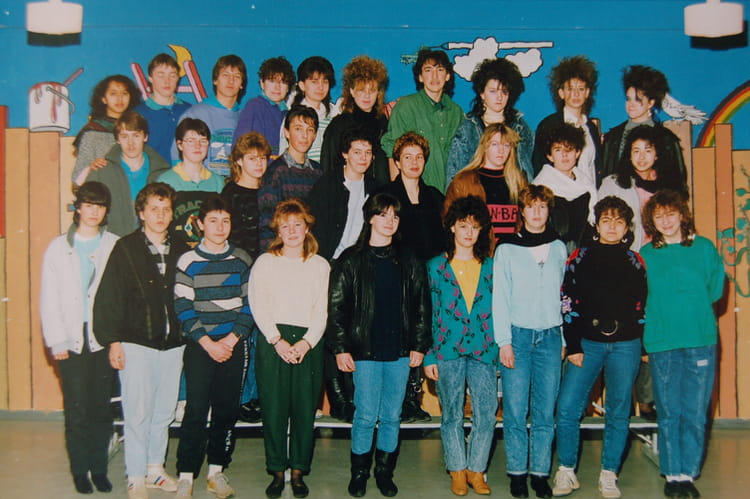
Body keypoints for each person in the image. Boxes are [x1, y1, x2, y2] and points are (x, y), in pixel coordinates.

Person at [327, 192, 431, 498]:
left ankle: (384, 472)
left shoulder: (410, 259)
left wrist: (419, 344)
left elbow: (422, 305)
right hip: (364, 351)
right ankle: (359, 473)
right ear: (370, 218)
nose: (390, 221)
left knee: (392, 415)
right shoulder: (350, 260)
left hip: (400, 351)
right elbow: (336, 308)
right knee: (365, 414)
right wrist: (341, 348)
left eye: (395, 216)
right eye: (383, 215)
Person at [94, 182, 189, 499]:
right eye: (154, 209)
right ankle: (135, 476)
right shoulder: (126, 248)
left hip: (173, 344)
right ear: (141, 213)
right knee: (137, 412)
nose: (160, 215)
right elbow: (109, 297)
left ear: (172, 214)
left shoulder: (182, 248)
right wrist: (113, 341)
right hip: (136, 343)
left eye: (166, 209)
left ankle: (154, 469)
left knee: (164, 411)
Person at [552, 196, 647, 499]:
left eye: (619, 221)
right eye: (606, 220)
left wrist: (641, 344)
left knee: (619, 410)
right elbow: (567, 301)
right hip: (587, 344)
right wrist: (573, 344)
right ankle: (566, 470)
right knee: (568, 407)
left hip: (626, 346)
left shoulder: (635, 261)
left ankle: (609, 474)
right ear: (596, 225)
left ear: (627, 227)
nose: (612, 226)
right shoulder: (579, 257)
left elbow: (642, 305)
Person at [640, 190, 725, 499]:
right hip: (662, 342)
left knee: (695, 411)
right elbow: (640, 297)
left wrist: (692, 309)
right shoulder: (646, 255)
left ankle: (688, 474)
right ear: (652, 222)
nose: (666, 221)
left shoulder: (704, 248)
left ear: (682, 215)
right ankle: (672, 473)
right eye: (659, 216)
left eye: (671, 214)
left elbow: (715, 289)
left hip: (700, 339)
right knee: (668, 410)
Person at [173, 194, 254, 499]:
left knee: (226, 409)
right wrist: (208, 343)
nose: (220, 227)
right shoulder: (188, 261)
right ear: (200, 224)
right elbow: (183, 307)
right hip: (201, 346)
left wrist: (231, 340)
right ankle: (186, 474)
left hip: (233, 346)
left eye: (225, 221)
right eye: (213, 221)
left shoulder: (242, 260)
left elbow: (250, 305)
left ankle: (216, 471)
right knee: (195, 409)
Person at [248, 198, 330, 499]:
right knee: (274, 409)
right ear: (278, 231)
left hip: (309, 342)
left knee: (304, 409)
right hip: (274, 341)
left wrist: (307, 342)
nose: (292, 231)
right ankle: (276, 470)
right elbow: (258, 304)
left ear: (307, 228)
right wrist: (276, 340)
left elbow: (322, 309)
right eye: (286, 226)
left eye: (298, 225)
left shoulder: (320, 265)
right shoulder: (265, 263)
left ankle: (298, 470)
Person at [40, 181, 119, 495]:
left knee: (101, 408)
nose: (94, 212)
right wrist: (57, 340)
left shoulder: (114, 245)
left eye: (99, 206)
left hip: (103, 338)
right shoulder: (58, 248)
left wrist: (117, 339)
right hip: (70, 340)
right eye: (88, 205)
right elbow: (49, 298)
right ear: (78, 208)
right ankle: (79, 470)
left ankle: (99, 469)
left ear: (105, 210)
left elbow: (120, 298)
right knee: (77, 409)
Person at [493, 185, 567, 498]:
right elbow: (500, 297)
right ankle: (517, 473)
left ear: (549, 211)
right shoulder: (506, 248)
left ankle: (539, 473)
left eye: (542, 207)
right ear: (521, 212)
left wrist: (564, 338)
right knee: (514, 408)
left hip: (550, 337)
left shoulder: (559, 247)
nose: (537, 213)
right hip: (518, 337)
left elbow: (564, 296)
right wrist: (504, 341)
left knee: (545, 411)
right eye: (531, 207)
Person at [423, 195, 497, 497]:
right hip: (447, 349)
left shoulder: (491, 267)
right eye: (463, 225)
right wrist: (429, 355)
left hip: (484, 350)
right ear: (452, 226)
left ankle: (476, 470)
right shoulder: (435, 267)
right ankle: (456, 469)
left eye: (475, 227)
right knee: (452, 413)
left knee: (486, 412)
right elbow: (428, 313)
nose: (469, 232)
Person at [308, 127, 380, 423]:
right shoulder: (327, 185)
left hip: (362, 268)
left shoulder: (375, 187)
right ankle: (337, 398)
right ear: (344, 154)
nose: (363, 158)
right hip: (330, 265)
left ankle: (356, 397)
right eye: (357, 152)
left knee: (358, 332)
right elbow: (314, 229)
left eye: (368, 153)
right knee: (332, 332)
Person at [376, 131, 444, 423]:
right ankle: (399, 400)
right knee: (401, 338)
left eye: (419, 157)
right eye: (407, 157)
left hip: (430, 279)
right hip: (397, 276)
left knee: (421, 335)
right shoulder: (386, 196)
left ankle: (415, 399)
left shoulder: (435, 196)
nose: (414, 162)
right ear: (397, 162)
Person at [221, 132, 272, 423]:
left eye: (263, 158)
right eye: (252, 158)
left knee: (261, 336)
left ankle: (255, 396)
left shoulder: (268, 191)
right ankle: (240, 397)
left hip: (266, 271)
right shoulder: (229, 194)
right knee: (242, 334)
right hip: (238, 273)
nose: (259, 164)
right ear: (239, 161)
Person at [381, 48, 463, 192]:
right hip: (416, 194)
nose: (434, 76)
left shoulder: (456, 112)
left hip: (450, 194)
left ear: (448, 76)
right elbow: (392, 151)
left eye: (440, 70)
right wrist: (397, 194)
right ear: (420, 77)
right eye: (428, 70)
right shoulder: (406, 107)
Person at [599, 125, 687, 252]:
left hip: (662, 252)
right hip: (626, 254)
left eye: (648, 151)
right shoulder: (612, 184)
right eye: (636, 151)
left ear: (656, 154)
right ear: (629, 155)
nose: (641, 157)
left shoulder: (669, 185)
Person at [447, 57, 533, 183]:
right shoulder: (468, 128)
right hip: (476, 193)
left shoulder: (520, 127)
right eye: (493, 91)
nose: (499, 97)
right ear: (482, 93)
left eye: (504, 91)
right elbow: (455, 176)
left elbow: (527, 170)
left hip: (513, 192)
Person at [88, 111, 170, 236]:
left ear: (145, 137)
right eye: (125, 136)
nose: (131, 143)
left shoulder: (163, 173)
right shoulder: (101, 171)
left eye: (136, 136)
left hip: (152, 242)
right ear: (117, 139)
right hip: (113, 242)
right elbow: (85, 210)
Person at [444, 122, 528, 243]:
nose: (501, 150)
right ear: (484, 147)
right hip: (479, 251)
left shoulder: (519, 181)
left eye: (506, 145)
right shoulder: (464, 181)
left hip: (511, 250)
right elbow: (448, 221)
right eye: (495, 144)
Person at [601, 65, 686, 183]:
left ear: (651, 103)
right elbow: (605, 179)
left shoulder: (666, 139)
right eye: (628, 99)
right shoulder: (613, 138)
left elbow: (678, 181)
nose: (631, 104)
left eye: (638, 100)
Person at [258, 105, 322, 249]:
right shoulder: (275, 172)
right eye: (298, 129)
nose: (304, 136)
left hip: (311, 250)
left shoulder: (319, 172)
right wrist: (273, 255)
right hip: (282, 251)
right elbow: (267, 222)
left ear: (315, 136)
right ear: (287, 132)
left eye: (310, 130)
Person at [173, 55, 247, 177]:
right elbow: (177, 158)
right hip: (203, 185)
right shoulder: (195, 114)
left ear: (242, 84)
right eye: (225, 75)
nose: (231, 81)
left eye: (237, 76)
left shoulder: (246, 118)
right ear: (215, 80)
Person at [532, 56, 601, 186]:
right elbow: (539, 167)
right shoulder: (548, 125)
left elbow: (595, 168)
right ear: (561, 93)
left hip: (590, 193)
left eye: (580, 89)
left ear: (587, 93)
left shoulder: (591, 128)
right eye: (570, 89)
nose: (576, 94)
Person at [320, 55, 390, 184]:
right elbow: (328, 166)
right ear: (352, 91)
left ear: (378, 93)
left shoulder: (383, 123)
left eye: (372, 90)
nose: (367, 96)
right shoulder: (339, 125)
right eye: (361, 90)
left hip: (379, 192)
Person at [532, 122, 597, 253]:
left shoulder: (587, 185)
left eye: (569, 149)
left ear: (577, 152)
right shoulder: (539, 188)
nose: (564, 155)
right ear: (549, 156)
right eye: (558, 150)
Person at [159, 118, 224, 246]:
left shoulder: (219, 182)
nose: (197, 146)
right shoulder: (165, 181)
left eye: (203, 141)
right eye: (191, 141)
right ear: (179, 145)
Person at [72, 74, 141, 185]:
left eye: (124, 93)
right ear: (104, 99)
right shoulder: (92, 131)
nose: (120, 98)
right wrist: (91, 167)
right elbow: (76, 179)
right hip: (100, 190)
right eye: (113, 94)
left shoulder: (138, 129)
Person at [279, 56, 340, 162]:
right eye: (314, 82)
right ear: (302, 85)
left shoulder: (333, 116)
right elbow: (283, 157)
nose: (320, 87)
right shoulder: (293, 117)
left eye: (325, 81)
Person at [233, 56, 296, 158]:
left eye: (283, 82)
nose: (277, 87)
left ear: (288, 87)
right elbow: (240, 146)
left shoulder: (289, 114)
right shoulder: (254, 106)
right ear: (262, 83)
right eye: (272, 81)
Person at [134, 53, 191, 163]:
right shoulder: (137, 115)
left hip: (184, 173)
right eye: (160, 75)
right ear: (150, 78)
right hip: (152, 173)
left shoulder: (190, 111)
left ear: (178, 78)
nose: (167, 81)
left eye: (172, 75)